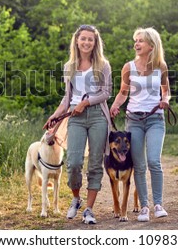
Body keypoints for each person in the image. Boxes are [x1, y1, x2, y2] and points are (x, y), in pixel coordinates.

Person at [44, 25, 112, 225]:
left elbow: (106, 93)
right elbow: (67, 98)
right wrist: (55, 116)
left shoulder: (103, 65)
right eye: (83, 38)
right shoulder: (69, 66)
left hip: (98, 115)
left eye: (90, 39)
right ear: (77, 40)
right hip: (75, 116)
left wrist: (86, 102)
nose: (87, 42)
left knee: (94, 165)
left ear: (95, 42)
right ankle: (76, 198)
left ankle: (89, 210)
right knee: (73, 162)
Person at [109, 27, 170, 222]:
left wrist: (166, 100)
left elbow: (166, 90)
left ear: (151, 45)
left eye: (141, 41)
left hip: (155, 119)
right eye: (135, 40)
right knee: (139, 165)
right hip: (133, 120)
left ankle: (158, 204)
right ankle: (144, 206)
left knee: (153, 161)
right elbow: (123, 92)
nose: (136, 44)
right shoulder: (128, 67)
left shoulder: (161, 66)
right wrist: (115, 105)